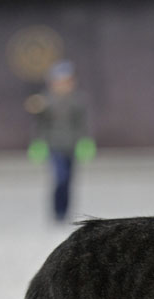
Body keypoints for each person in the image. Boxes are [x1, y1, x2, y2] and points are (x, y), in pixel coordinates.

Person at [27, 60, 96, 221]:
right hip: (54, 144)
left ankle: (65, 211)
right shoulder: (45, 100)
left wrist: (85, 141)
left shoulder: (78, 100)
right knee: (60, 177)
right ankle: (57, 211)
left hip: (71, 144)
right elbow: (40, 124)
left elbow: (82, 123)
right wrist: (38, 142)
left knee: (69, 180)